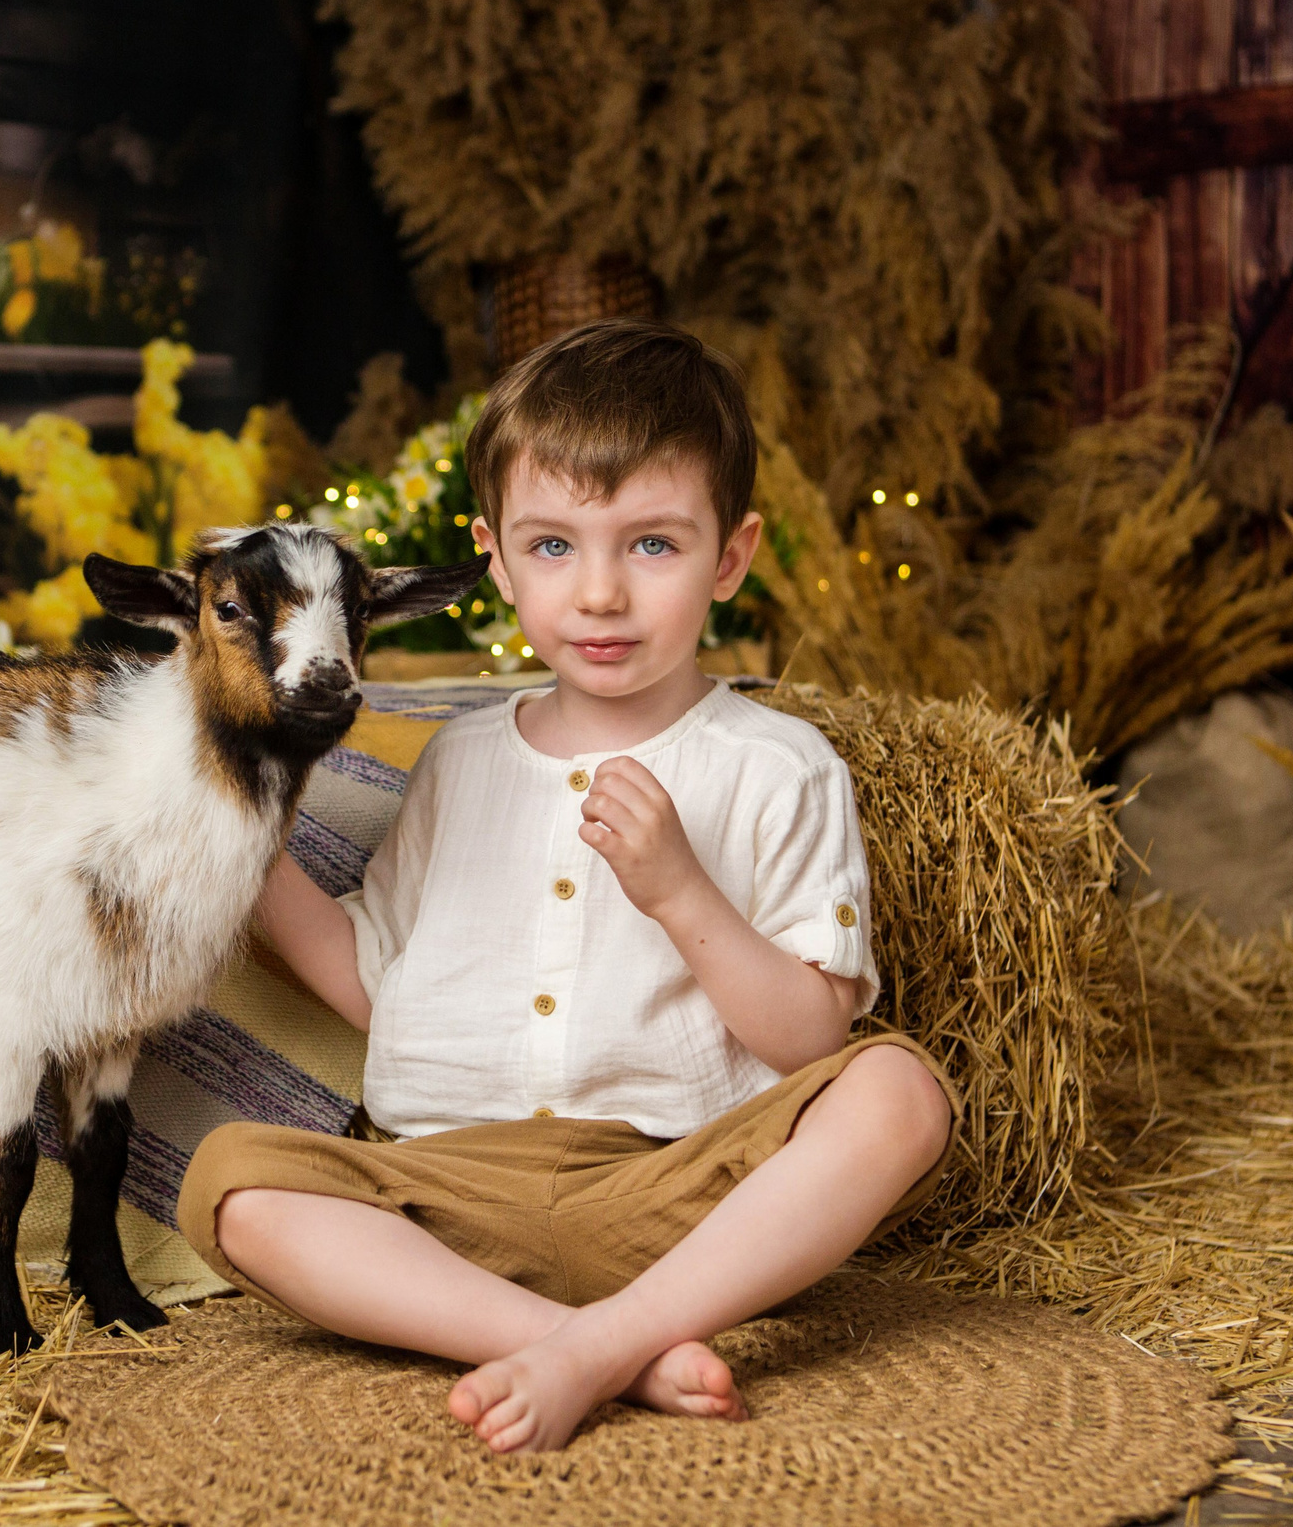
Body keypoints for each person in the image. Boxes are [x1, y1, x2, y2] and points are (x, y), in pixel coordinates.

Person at [174, 319, 959, 1454]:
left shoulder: (778, 766)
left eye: (651, 545)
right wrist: (242, 842)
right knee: (235, 1183)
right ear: (492, 558)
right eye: (554, 548)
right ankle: (593, 1346)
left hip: (679, 1198)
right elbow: (374, 982)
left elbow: (807, 1042)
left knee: (898, 1094)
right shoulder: (458, 762)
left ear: (729, 557)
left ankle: (605, 1339)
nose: (598, 594)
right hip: (449, 1202)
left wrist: (681, 891)